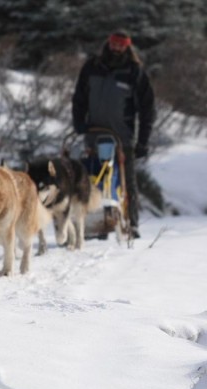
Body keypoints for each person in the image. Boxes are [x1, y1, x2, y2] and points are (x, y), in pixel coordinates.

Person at [72, 30, 155, 239]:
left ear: (127, 47)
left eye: (121, 45)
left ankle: (131, 224)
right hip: (94, 136)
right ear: (108, 43)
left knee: (126, 182)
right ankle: (92, 223)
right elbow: (79, 98)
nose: (116, 48)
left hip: (122, 139)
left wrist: (143, 142)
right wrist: (78, 121)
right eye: (114, 44)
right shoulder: (92, 67)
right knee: (93, 180)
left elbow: (147, 109)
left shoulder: (134, 72)